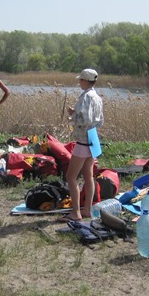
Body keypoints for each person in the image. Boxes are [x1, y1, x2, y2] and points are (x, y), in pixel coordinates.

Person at [63, 68, 104, 221]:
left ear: (86, 81)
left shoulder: (86, 96)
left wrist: (73, 114)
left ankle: (75, 213)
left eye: (81, 80)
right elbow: (100, 120)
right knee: (89, 176)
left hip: (83, 140)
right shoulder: (97, 97)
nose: (79, 82)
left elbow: (85, 119)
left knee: (71, 177)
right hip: (93, 137)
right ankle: (87, 209)